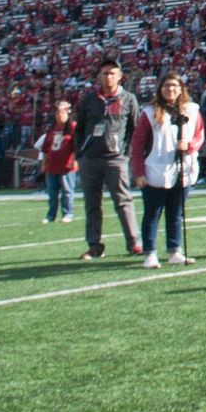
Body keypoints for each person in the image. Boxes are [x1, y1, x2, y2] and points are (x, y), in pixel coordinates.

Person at [130, 70, 205, 267]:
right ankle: (150, 252)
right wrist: (138, 172)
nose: (170, 89)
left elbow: (199, 135)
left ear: (181, 89)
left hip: (183, 169)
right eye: (166, 86)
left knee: (176, 213)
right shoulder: (149, 112)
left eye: (174, 86)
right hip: (156, 170)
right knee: (153, 213)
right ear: (160, 89)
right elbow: (137, 144)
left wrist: (189, 146)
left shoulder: (192, 110)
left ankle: (175, 250)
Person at [72, 57, 143, 262]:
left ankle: (133, 242)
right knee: (92, 204)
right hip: (90, 159)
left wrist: (127, 155)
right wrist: (80, 154)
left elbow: (135, 130)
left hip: (115, 159)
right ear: (99, 76)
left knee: (123, 201)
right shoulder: (89, 100)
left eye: (112, 73)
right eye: (105, 73)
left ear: (120, 77)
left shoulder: (128, 99)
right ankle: (94, 245)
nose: (108, 76)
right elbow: (79, 129)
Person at [36, 99, 78, 223]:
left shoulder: (73, 127)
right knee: (52, 194)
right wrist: (44, 164)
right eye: (58, 112)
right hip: (52, 166)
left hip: (67, 165)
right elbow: (46, 148)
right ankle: (51, 215)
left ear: (68, 113)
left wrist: (75, 160)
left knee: (67, 191)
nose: (60, 115)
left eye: (62, 112)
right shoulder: (52, 129)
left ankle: (68, 213)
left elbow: (78, 146)